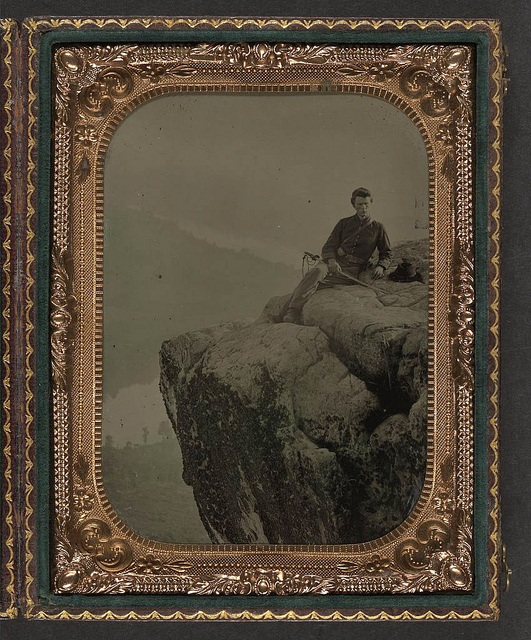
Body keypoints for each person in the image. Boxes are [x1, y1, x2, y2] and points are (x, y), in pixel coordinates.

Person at [283, 187, 391, 323]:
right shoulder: (343, 223)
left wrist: (381, 267)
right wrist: (332, 261)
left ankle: (285, 312)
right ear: (354, 205)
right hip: (332, 264)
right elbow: (329, 246)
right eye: (359, 204)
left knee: (311, 283)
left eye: (366, 204)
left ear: (370, 204)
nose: (363, 208)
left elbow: (386, 252)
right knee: (316, 271)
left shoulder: (378, 228)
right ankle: (293, 312)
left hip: (351, 271)